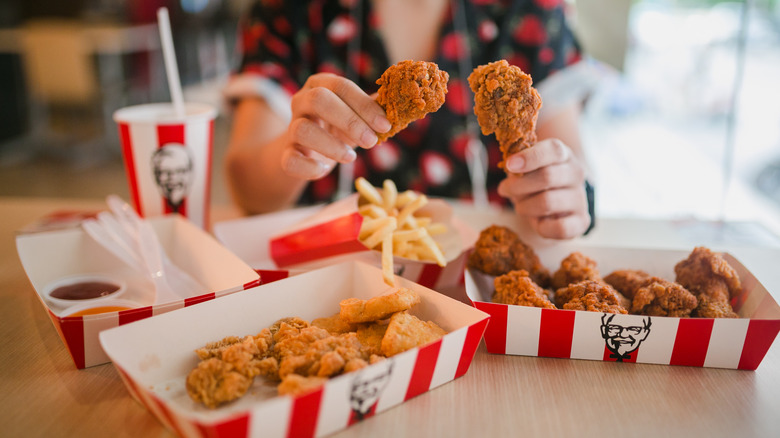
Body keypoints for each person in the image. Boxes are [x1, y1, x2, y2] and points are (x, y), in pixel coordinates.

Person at [224, 0, 594, 239]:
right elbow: (249, 192)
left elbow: (569, 163)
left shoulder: (532, 11)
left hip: (479, 281)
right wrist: (297, 148)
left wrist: (564, 194)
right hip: (330, 271)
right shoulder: (291, 10)